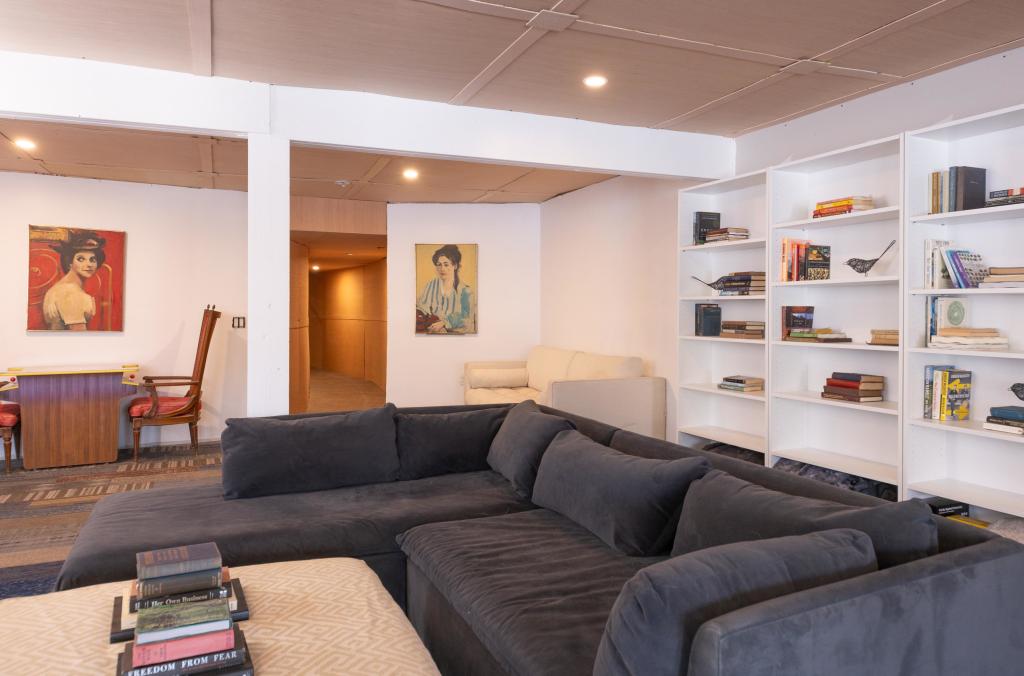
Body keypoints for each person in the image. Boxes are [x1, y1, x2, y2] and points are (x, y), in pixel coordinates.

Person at [42, 230, 105, 331]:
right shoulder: (72, 294)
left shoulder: (60, 287)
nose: (89, 264)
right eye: (81, 259)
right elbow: (79, 338)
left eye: (92, 259)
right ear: (69, 262)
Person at [416, 244, 475, 334]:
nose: (442, 268)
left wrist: (444, 322)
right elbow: (421, 308)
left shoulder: (466, 291)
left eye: (446, 265)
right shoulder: (430, 286)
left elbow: (466, 319)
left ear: (454, 266)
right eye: (439, 265)